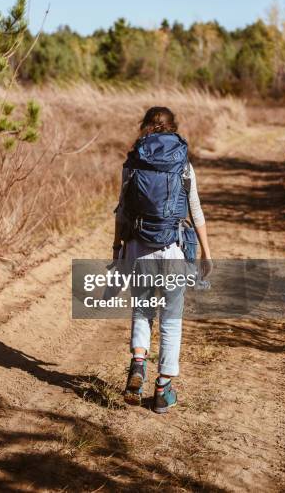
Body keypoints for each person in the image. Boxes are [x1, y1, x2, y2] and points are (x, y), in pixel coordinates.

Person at [113, 106, 212, 413]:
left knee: (142, 309)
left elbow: (123, 210)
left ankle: (138, 364)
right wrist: (206, 253)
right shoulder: (183, 163)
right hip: (174, 249)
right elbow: (195, 211)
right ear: (173, 128)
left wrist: (117, 246)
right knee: (171, 319)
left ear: (145, 126)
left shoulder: (133, 162)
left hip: (139, 248)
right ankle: (162, 390)